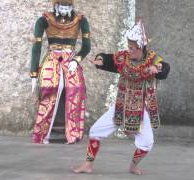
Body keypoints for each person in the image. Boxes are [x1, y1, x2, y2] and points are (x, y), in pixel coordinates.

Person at [71, 20, 170, 175]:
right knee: (96, 131)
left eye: (132, 48)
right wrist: (100, 60)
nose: (129, 50)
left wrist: (156, 69)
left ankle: (133, 166)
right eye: (128, 47)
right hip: (121, 105)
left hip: (140, 109)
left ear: (141, 48)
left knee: (146, 143)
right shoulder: (123, 58)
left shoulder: (153, 59)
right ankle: (88, 165)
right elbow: (108, 59)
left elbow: (165, 68)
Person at [30, 0, 91, 144]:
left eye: (67, 6)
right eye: (61, 6)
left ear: (72, 7)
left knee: (76, 88)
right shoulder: (43, 20)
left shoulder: (81, 20)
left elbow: (87, 46)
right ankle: (43, 131)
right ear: (56, 6)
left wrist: (76, 60)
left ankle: (72, 131)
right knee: (48, 87)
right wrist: (33, 74)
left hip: (70, 59)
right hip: (52, 58)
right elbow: (36, 48)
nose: (64, 9)